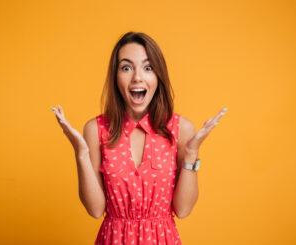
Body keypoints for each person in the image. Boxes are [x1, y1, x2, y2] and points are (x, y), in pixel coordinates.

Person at [51, 31, 227, 244]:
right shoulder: (95, 129)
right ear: (115, 77)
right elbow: (96, 210)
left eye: (148, 67)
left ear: (158, 76)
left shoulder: (181, 128)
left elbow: (183, 209)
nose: (137, 77)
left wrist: (191, 153)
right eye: (126, 67)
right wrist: (81, 153)